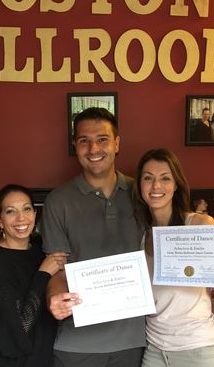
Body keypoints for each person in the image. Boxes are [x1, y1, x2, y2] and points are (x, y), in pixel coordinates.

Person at [42, 107, 145, 367]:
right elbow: (57, 269)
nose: (93, 148)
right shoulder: (58, 201)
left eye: (102, 139)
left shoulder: (143, 193)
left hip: (134, 340)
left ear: (117, 143)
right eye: (84, 141)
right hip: (77, 343)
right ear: (75, 145)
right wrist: (54, 298)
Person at [132, 148, 214, 367]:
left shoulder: (199, 225)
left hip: (201, 351)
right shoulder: (140, 235)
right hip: (155, 352)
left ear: (176, 185)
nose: (156, 186)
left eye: (165, 178)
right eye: (148, 178)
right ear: (139, 186)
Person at [0, 184, 67, 367]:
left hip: (46, 358)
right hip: (11, 363)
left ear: (34, 214)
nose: (21, 218)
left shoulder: (42, 250)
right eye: (10, 211)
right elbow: (21, 326)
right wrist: (43, 274)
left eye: (26, 209)